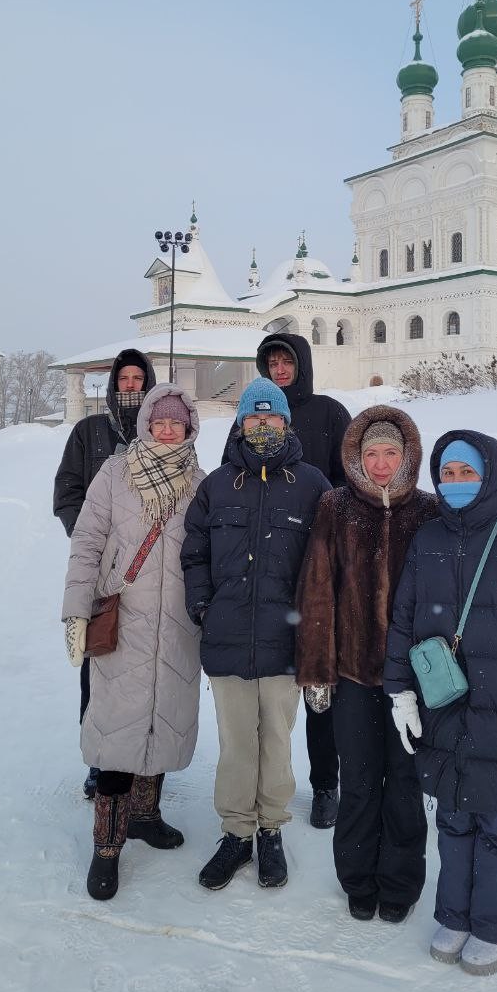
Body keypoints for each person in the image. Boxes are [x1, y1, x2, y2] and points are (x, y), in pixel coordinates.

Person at [384, 432, 497, 976]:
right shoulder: (427, 539)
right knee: (455, 817)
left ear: (490, 474)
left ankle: (495, 924)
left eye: (468, 473)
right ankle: (456, 913)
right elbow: (404, 618)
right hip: (446, 703)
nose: (457, 482)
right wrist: (399, 692)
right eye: (448, 473)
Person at [183, 378, 331, 891]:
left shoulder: (312, 485)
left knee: (277, 743)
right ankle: (235, 833)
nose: (262, 425)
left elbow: (326, 565)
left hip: (285, 644)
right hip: (227, 639)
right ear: (240, 423)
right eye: (253, 417)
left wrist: (316, 627)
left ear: (286, 422)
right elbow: (194, 553)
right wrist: (202, 605)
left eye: (271, 417)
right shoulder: (218, 484)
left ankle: (271, 830)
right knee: (236, 744)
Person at [62, 384, 204, 901]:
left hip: (176, 627)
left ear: (189, 428)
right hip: (123, 622)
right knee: (119, 730)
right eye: (158, 422)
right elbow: (87, 544)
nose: (167, 431)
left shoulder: (200, 483)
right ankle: (106, 847)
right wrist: (76, 610)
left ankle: (145, 816)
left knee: (161, 721)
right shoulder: (116, 474)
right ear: (144, 424)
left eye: (176, 423)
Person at [297, 406, 438, 922]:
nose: (380, 465)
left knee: (404, 782)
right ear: (356, 456)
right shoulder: (335, 507)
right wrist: (317, 670)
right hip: (354, 677)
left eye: (390, 454)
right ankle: (357, 878)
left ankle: (399, 882)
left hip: (411, 681)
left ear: (407, 456)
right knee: (357, 781)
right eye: (371, 453)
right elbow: (317, 592)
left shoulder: (427, 512)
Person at [223, 332, 350, 829]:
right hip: (265, 569)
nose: (279, 369)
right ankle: (254, 792)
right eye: (271, 362)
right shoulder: (248, 420)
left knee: (318, 682)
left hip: (314, 564)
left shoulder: (328, 413)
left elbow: (347, 479)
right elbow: (229, 484)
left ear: (302, 364)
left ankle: (325, 784)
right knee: (264, 690)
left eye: (286, 361)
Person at [54, 349, 156, 798]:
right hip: (104, 575)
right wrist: (93, 544)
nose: (131, 385)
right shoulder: (89, 431)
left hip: (150, 574)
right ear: (114, 384)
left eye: (139, 378)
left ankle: (143, 762)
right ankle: (98, 761)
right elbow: (68, 492)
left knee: (144, 671)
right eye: (125, 378)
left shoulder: (160, 432)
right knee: (99, 665)